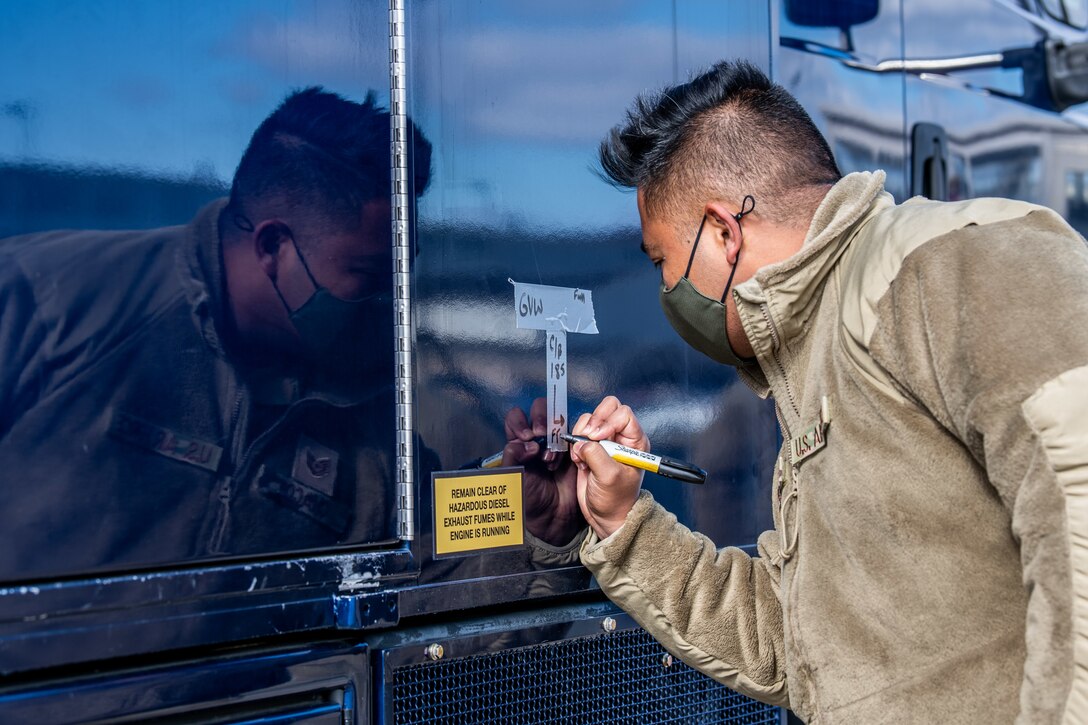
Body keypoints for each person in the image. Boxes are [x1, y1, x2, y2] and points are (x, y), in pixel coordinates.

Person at [509, 60, 1088, 722]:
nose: (666, 292)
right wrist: (619, 521)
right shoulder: (811, 357)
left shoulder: (952, 260)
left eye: (661, 261)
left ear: (724, 233)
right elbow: (796, 642)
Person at [0, 88, 432, 581]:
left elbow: (426, 568)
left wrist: (528, 524)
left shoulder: (360, 391)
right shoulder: (44, 303)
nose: (393, 301)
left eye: (402, 277)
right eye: (372, 274)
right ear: (273, 246)